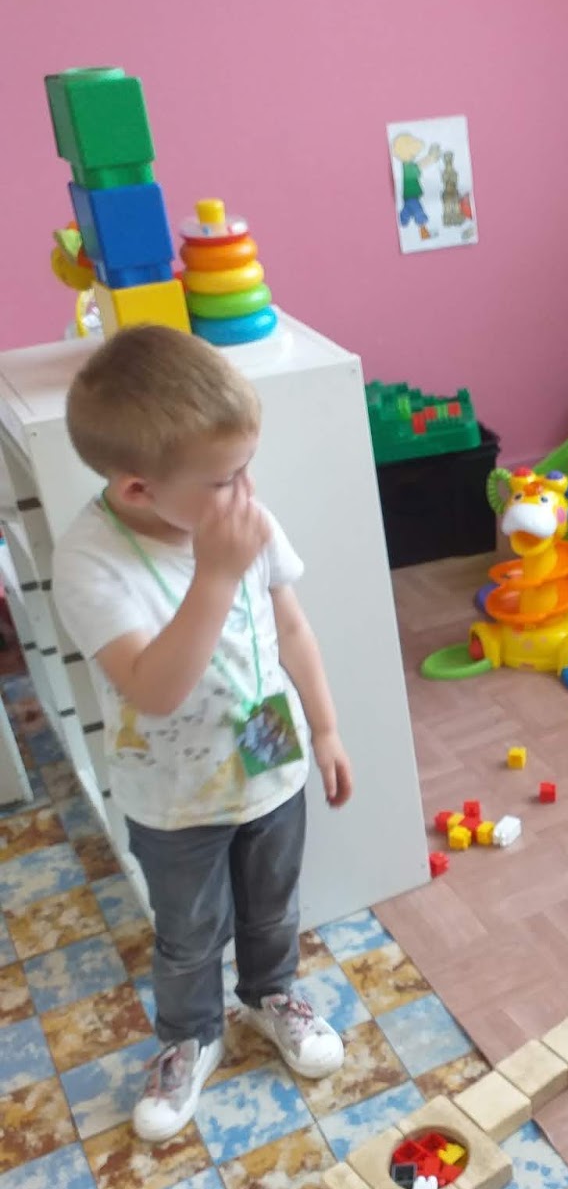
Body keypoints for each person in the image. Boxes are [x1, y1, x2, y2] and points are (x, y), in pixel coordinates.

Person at [53, 326, 353, 1142]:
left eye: (246, 468)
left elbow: (291, 628)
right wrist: (216, 574)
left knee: (272, 904)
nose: (246, 491)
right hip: (174, 794)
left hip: (268, 748)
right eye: (224, 479)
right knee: (188, 934)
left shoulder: (240, 518)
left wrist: (325, 727)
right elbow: (154, 689)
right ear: (139, 488)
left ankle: (270, 993)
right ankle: (190, 1036)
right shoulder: (90, 562)